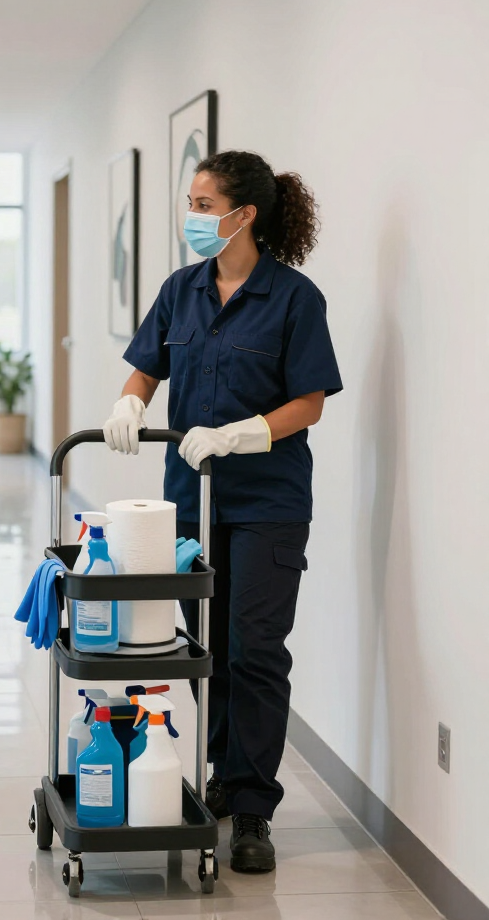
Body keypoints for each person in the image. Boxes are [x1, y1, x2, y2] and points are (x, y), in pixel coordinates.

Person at [102, 150, 341, 873]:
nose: (193, 217)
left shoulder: (295, 299)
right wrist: (130, 399)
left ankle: (254, 811)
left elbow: (311, 401)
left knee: (257, 650)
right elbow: (149, 361)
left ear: (245, 216)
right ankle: (223, 777)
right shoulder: (183, 289)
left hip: (268, 502)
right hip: (192, 502)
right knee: (210, 654)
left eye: (204, 205)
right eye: (192, 203)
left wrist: (247, 433)